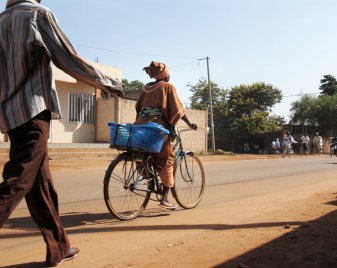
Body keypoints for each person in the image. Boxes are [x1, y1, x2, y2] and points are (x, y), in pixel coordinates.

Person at [0, 0, 123, 266]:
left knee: (40, 185)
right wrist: (109, 83)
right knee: (18, 179)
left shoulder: (2, 20)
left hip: (11, 114)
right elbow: (68, 59)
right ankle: (60, 246)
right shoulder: (37, 14)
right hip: (33, 112)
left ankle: (59, 247)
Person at [135, 61, 197, 210]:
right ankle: (165, 199)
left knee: (145, 155)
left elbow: (138, 107)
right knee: (167, 159)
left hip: (141, 127)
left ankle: (149, 179)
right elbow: (178, 109)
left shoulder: (146, 88)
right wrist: (189, 123)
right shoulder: (167, 87)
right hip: (157, 129)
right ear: (164, 74)